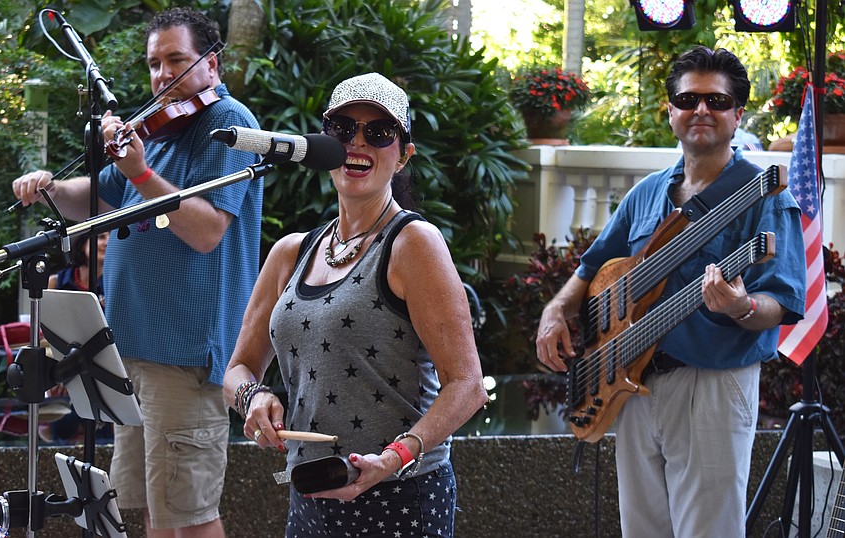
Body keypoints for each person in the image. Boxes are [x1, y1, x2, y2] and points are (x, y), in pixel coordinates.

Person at [536, 46, 806, 536]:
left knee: (708, 530)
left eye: (717, 101)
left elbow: (783, 302)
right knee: (641, 529)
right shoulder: (648, 192)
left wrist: (742, 307)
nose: (701, 109)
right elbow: (593, 265)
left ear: (737, 114)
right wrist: (556, 311)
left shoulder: (765, 194)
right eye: (688, 98)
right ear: (671, 112)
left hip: (713, 384)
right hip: (632, 382)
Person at [12, 7, 262, 537]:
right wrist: (52, 189)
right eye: (154, 63)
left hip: (189, 353)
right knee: (153, 509)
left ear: (211, 65)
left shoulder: (227, 124)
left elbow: (206, 230)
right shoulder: (158, 130)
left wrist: (142, 172)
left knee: (190, 515)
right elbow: (101, 198)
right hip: (133, 353)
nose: (162, 75)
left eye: (176, 59)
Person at [223, 72, 487, 537]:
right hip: (310, 493)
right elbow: (238, 369)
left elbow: (467, 386)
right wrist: (254, 398)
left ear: (404, 154)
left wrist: (395, 457)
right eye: (343, 129)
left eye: (379, 132)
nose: (358, 142)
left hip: (402, 495)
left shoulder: (413, 244)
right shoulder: (290, 253)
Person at [41, 231, 112, 444]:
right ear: (82, 244)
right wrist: (56, 369)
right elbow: (44, 335)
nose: (107, 242)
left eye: (111, 237)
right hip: (64, 375)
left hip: (106, 373)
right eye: (100, 237)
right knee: (57, 433)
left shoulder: (118, 283)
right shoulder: (56, 281)